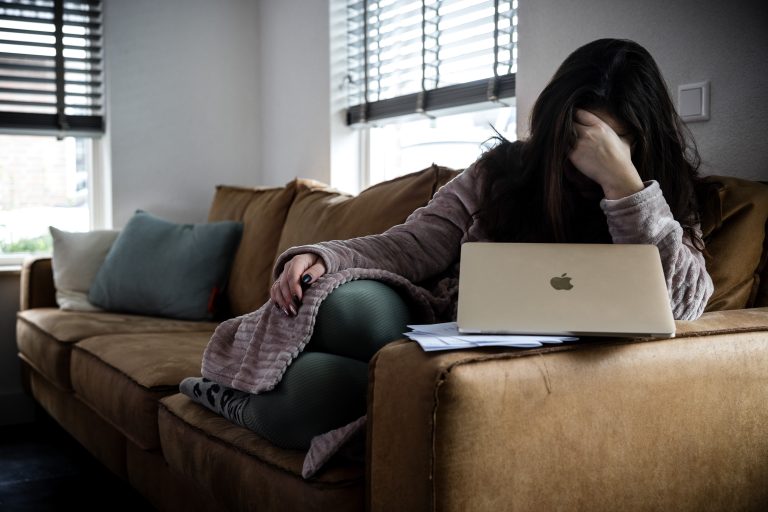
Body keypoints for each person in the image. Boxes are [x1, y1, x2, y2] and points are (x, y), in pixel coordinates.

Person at [188, 38, 714, 452]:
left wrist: (623, 185)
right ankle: (264, 381)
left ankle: (232, 398)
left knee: (312, 395)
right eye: (572, 141)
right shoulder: (504, 173)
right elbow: (410, 245)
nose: (579, 160)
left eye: (602, 144)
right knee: (342, 303)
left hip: (523, 374)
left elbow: (682, 305)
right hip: (454, 334)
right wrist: (322, 255)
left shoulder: (660, 199)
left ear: (637, 141)